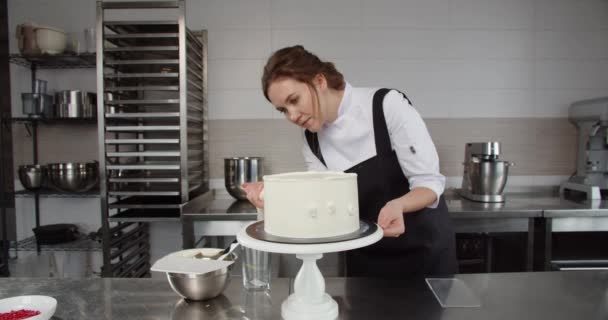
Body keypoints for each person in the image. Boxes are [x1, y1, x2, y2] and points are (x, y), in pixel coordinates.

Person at [243, 45, 457, 278]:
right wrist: (272, 197)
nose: (292, 116)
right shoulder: (311, 139)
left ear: (320, 81)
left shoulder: (386, 105)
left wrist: (399, 205)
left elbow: (429, 182)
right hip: (365, 260)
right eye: (283, 110)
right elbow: (320, 200)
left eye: (294, 100)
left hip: (423, 255)